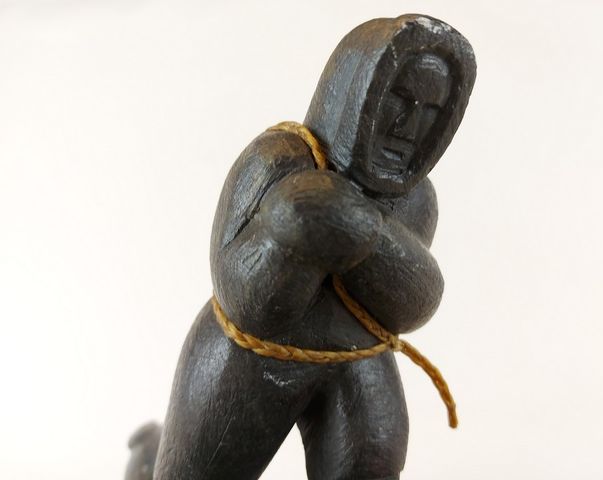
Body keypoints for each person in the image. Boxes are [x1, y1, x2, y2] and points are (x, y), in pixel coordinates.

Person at [138, 14, 476, 480]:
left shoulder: (415, 200)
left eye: (431, 111)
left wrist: (366, 233)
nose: (408, 124)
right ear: (355, 91)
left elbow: (409, 307)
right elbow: (246, 302)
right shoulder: (277, 158)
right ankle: (146, 460)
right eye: (398, 99)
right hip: (250, 357)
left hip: (356, 361)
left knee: (371, 465)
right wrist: (287, 232)